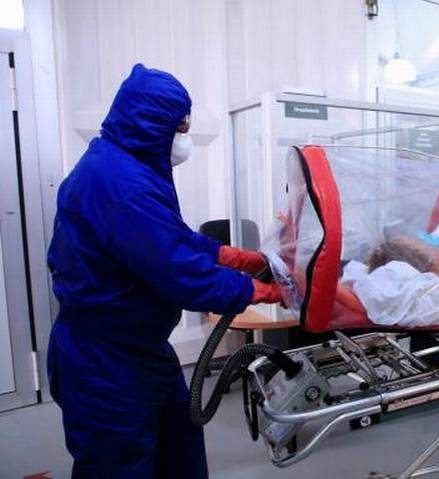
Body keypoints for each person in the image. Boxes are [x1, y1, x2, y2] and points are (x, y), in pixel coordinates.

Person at [46, 64, 281, 478]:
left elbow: (172, 237)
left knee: (179, 450)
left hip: (143, 347)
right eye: (181, 128)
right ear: (153, 124)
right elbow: (180, 273)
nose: (185, 138)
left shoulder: (130, 164)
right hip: (106, 359)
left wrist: (238, 258)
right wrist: (268, 292)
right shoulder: (120, 185)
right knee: (119, 466)